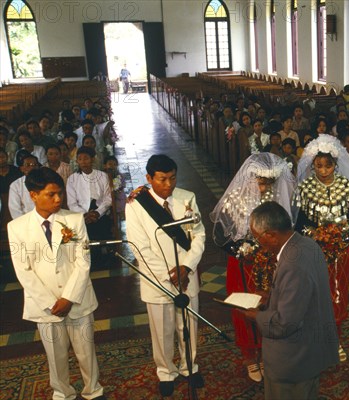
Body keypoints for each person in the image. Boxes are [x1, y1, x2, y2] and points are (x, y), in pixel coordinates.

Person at [7, 167, 106, 400]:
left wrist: (68, 297)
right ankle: (62, 393)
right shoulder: (17, 227)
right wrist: (52, 302)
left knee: (86, 352)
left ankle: (93, 390)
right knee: (55, 355)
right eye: (51, 194)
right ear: (33, 195)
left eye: (60, 193)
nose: (58, 199)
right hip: (46, 305)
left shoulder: (73, 220)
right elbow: (24, 271)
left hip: (77, 299)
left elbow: (83, 261)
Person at [210, 153, 296, 382]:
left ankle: (268, 352)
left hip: (270, 264)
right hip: (243, 265)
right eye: (259, 181)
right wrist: (244, 251)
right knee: (244, 308)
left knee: (271, 307)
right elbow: (222, 236)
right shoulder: (235, 199)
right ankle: (250, 356)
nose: (262, 186)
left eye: (267, 182)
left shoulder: (276, 199)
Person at [125, 154, 205, 396]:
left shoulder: (186, 197)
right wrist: (169, 275)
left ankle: (189, 367)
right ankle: (165, 371)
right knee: (161, 329)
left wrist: (187, 267)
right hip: (157, 278)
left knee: (188, 324)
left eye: (172, 178)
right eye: (161, 179)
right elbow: (139, 247)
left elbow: (199, 235)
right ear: (149, 178)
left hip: (186, 275)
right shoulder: (136, 205)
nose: (168, 184)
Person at [242, 202, 339, 400]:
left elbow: (284, 324)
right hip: (311, 348)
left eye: (257, 237)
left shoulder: (292, 265)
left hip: (294, 359)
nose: (258, 243)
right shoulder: (307, 244)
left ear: (271, 235)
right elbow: (304, 295)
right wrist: (272, 296)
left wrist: (256, 316)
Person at [294, 134, 349, 362]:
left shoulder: (345, 186)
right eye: (318, 166)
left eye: (328, 165)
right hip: (313, 250)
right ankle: (314, 338)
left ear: (335, 164)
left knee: (338, 293)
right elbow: (300, 223)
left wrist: (342, 233)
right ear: (312, 165)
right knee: (314, 295)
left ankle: (335, 339)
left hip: (339, 250)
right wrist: (316, 235)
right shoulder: (304, 188)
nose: (323, 171)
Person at [8, 153, 39, 219]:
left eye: (35, 165)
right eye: (28, 165)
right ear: (21, 168)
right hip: (25, 222)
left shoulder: (46, 182)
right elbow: (15, 210)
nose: (32, 167)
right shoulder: (15, 185)